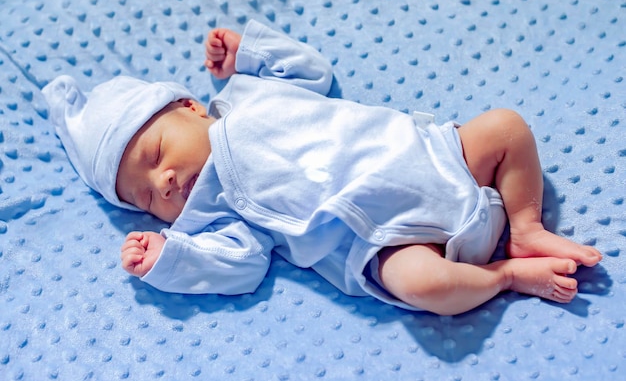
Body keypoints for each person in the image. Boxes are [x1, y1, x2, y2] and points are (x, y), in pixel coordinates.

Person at [42, 20, 602, 315]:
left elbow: (312, 72)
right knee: (423, 286)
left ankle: (525, 227)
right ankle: (505, 276)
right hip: (386, 241)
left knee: (506, 127)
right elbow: (239, 268)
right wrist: (173, 257)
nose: (163, 182)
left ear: (189, 106)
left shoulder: (249, 96)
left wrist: (249, 54)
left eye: (157, 156)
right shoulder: (214, 214)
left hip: (437, 155)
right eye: (145, 198)